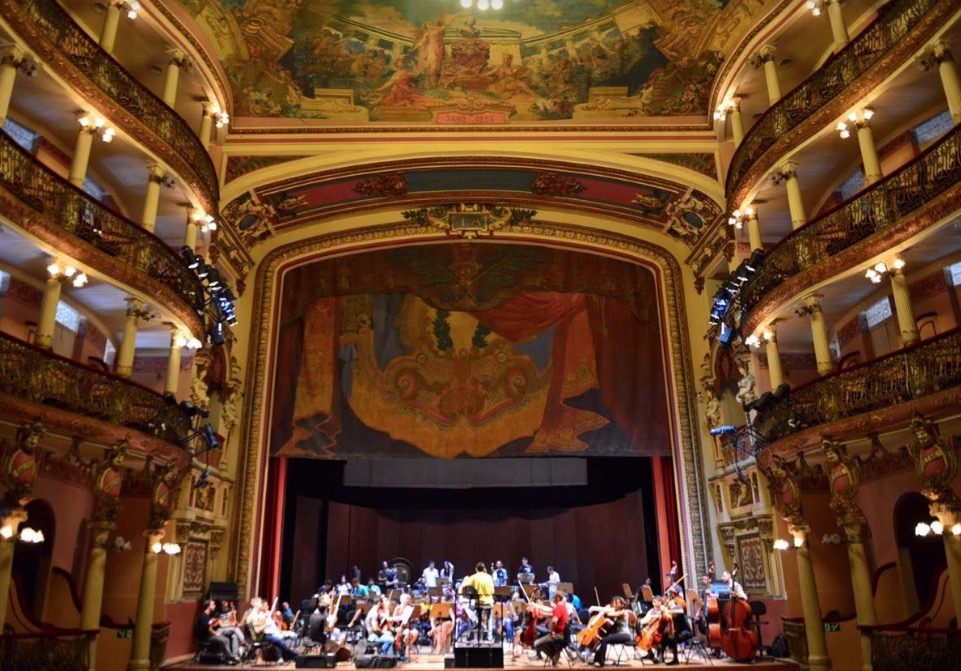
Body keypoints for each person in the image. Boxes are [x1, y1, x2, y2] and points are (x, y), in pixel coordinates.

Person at [588, 596, 632, 668]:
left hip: (624, 635)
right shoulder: (616, 611)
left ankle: (601, 662)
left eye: (616, 603)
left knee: (605, 640)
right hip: (617, 634)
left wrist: (607, 609)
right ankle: (596, 659)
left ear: (622, 605)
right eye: (613, 602)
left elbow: (609, 614)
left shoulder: (623, 612)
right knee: (603, 639)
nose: (614, 604)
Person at [460, 562, 494, 642]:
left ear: (476, 569)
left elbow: (463, 588)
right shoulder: (489, 577)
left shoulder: (473, 577)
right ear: (484, 568)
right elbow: (492, 591)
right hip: (488, 602)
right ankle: (490, 637)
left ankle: (475, 619)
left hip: (477, 602)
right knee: (489, 617)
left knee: (466, 606)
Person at [533, 591, 569, 667]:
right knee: (543, 636)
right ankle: (556, 653)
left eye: (554, 598)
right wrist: (537, 606)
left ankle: (553, 655)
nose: (552, 599)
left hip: (559, 635)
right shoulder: (562, 607)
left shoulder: (558, 608)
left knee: (536, 643)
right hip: (564, 635)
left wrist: (551, 631)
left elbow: (554, 621)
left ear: (558, 598)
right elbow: (549, 612)